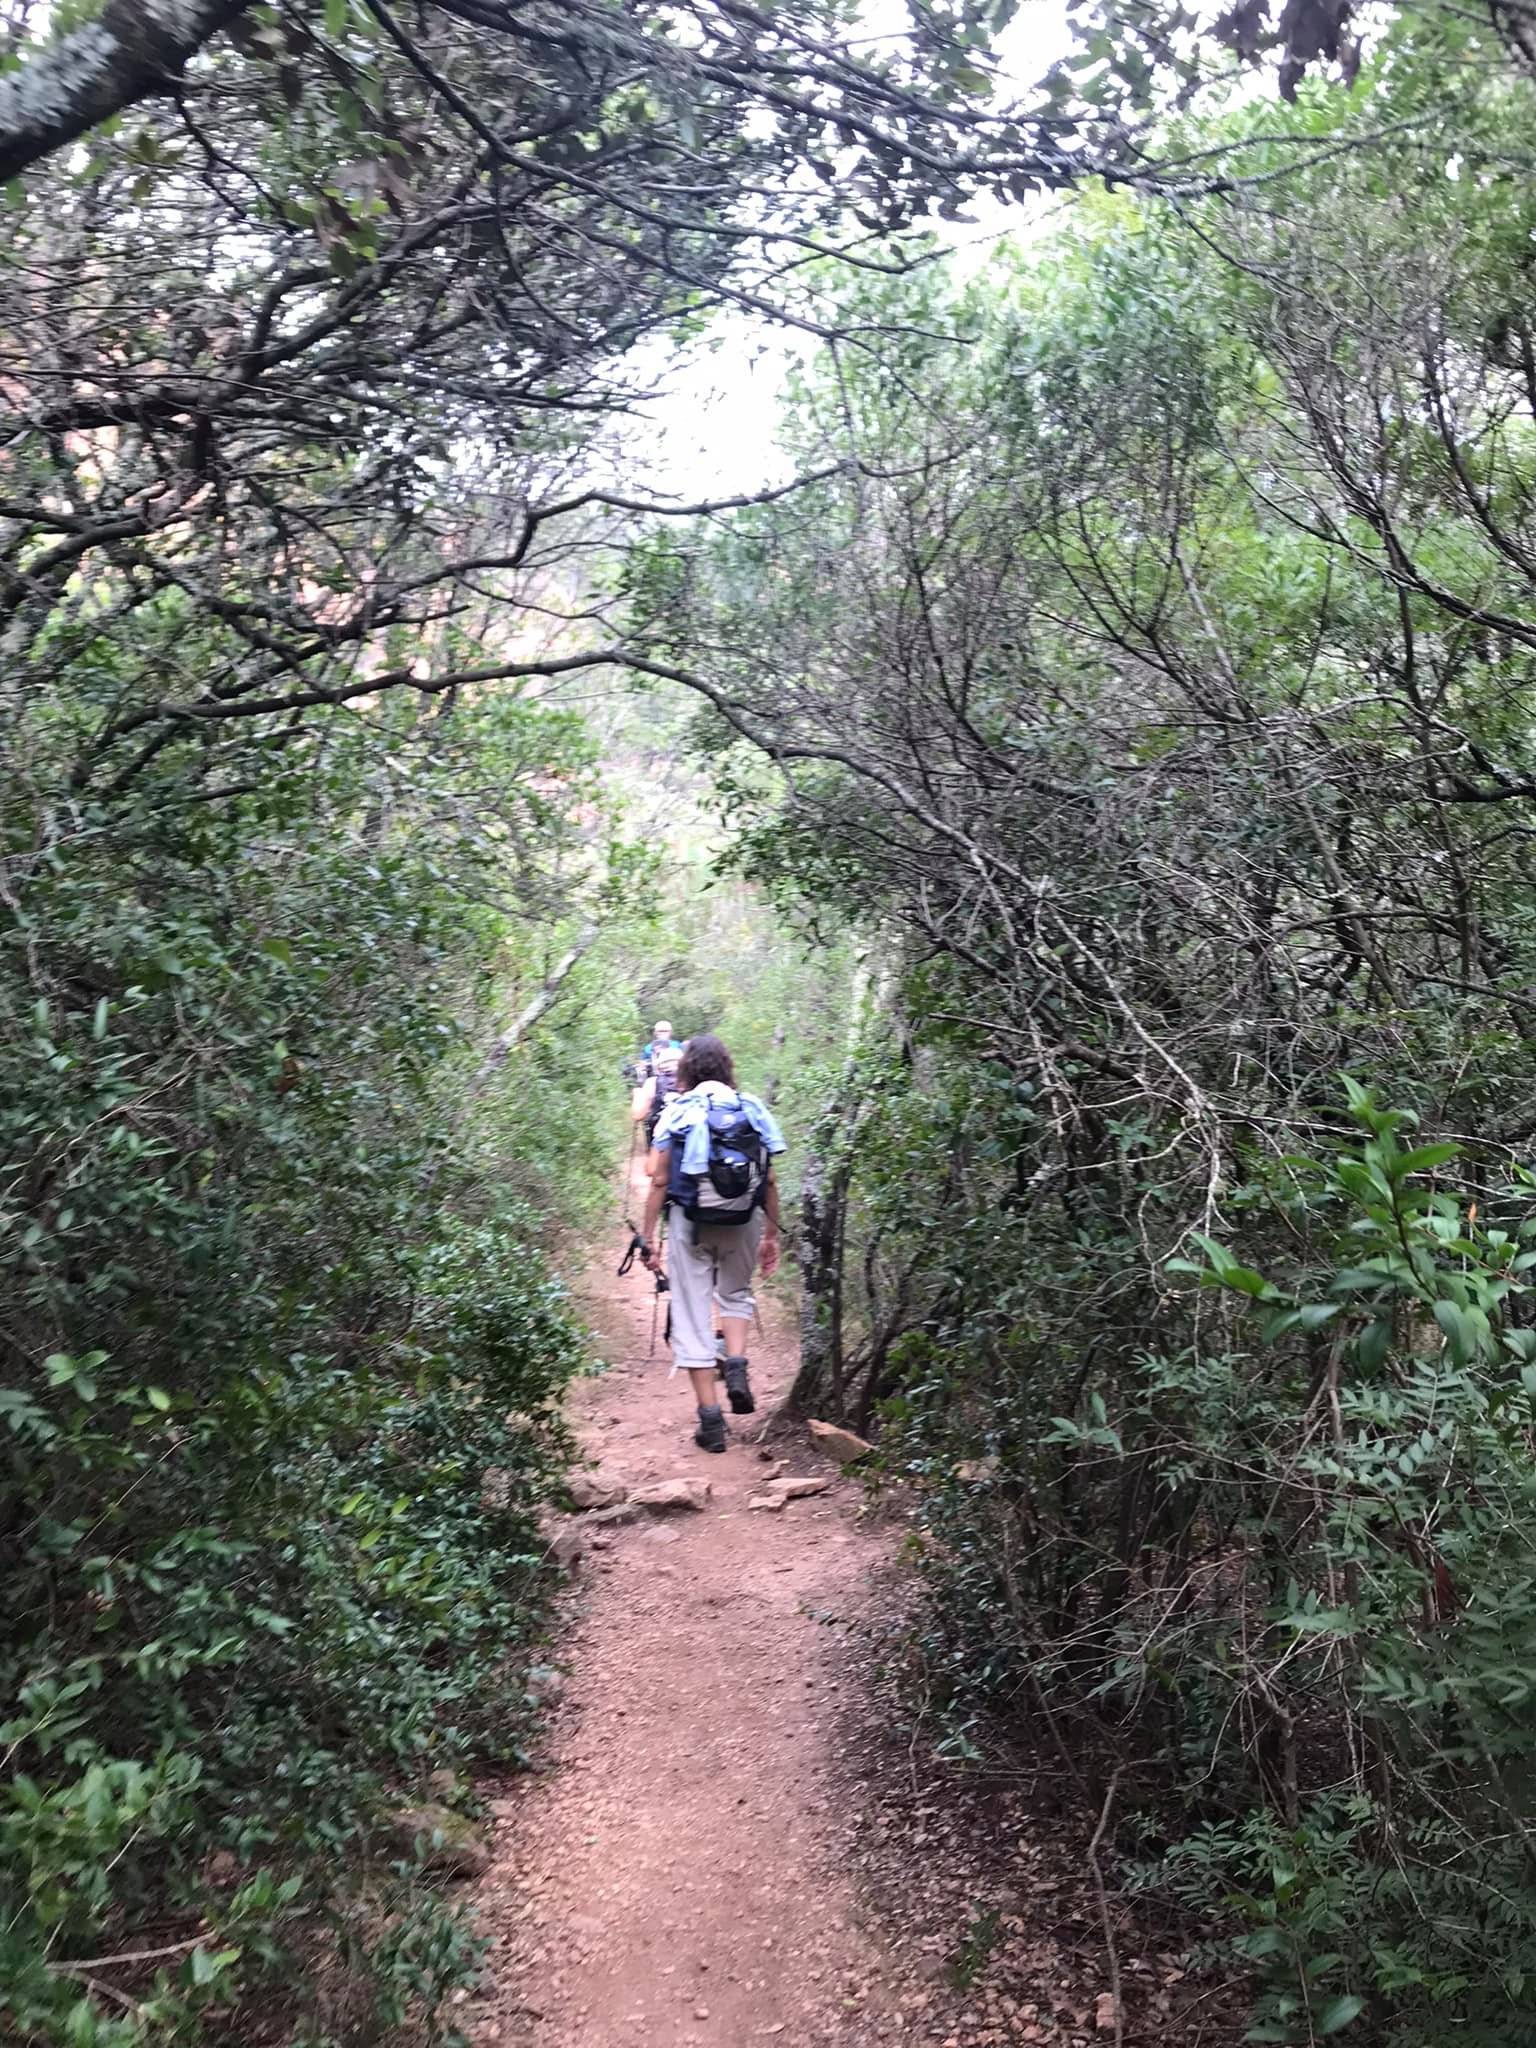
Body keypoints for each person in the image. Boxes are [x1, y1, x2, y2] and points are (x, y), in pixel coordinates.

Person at [638, 1033, 784, 1453]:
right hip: (744, 1219)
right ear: (726, 1067)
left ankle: (712, 1423)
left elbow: (659, 1180)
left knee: (692, 1315)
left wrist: (648, 1239)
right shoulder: (751, 1108)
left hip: (691, 1223)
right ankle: (735, 1365)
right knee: (736, 1294)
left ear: (686, 1070)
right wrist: (771, 1235)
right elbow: (770, 1180)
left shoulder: (678, 1109)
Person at [630, 1043, 682, 1141]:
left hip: (662, 1140)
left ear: (659, 1066)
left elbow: (638, 1115)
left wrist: (637, 1094)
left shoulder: (652, 1082)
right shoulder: (694, 1082)